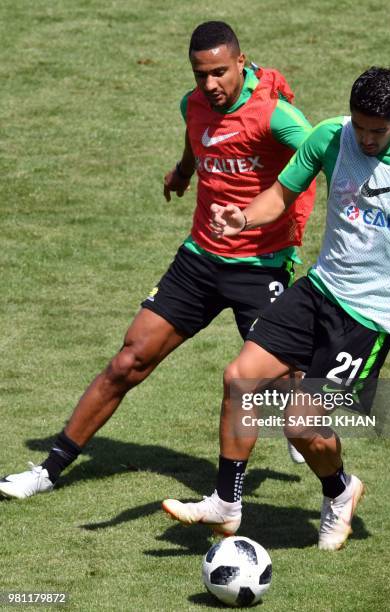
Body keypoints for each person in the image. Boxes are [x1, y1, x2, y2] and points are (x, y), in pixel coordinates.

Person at [162, 67, 390, 551]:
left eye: (378, 130)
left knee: (301, 423)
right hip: (322, 288)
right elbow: (283, 194)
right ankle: (226, 503)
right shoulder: (331, 136)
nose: (366, 139)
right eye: (360, 127)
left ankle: (339, 491)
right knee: (239, 378)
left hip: (373, 315)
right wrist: (244, 216)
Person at [0, 21, 315, 499]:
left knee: (279, 386)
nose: (210, 86)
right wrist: (183, 173)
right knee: (129, 361)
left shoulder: (276, 116)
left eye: (219, 73)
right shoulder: (193, 104)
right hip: (200, 261)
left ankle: (311, 460)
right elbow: (199, 139)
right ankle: (47, 470)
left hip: (262, 266)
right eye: (200, 74)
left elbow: (325, 153)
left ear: (241, 62)